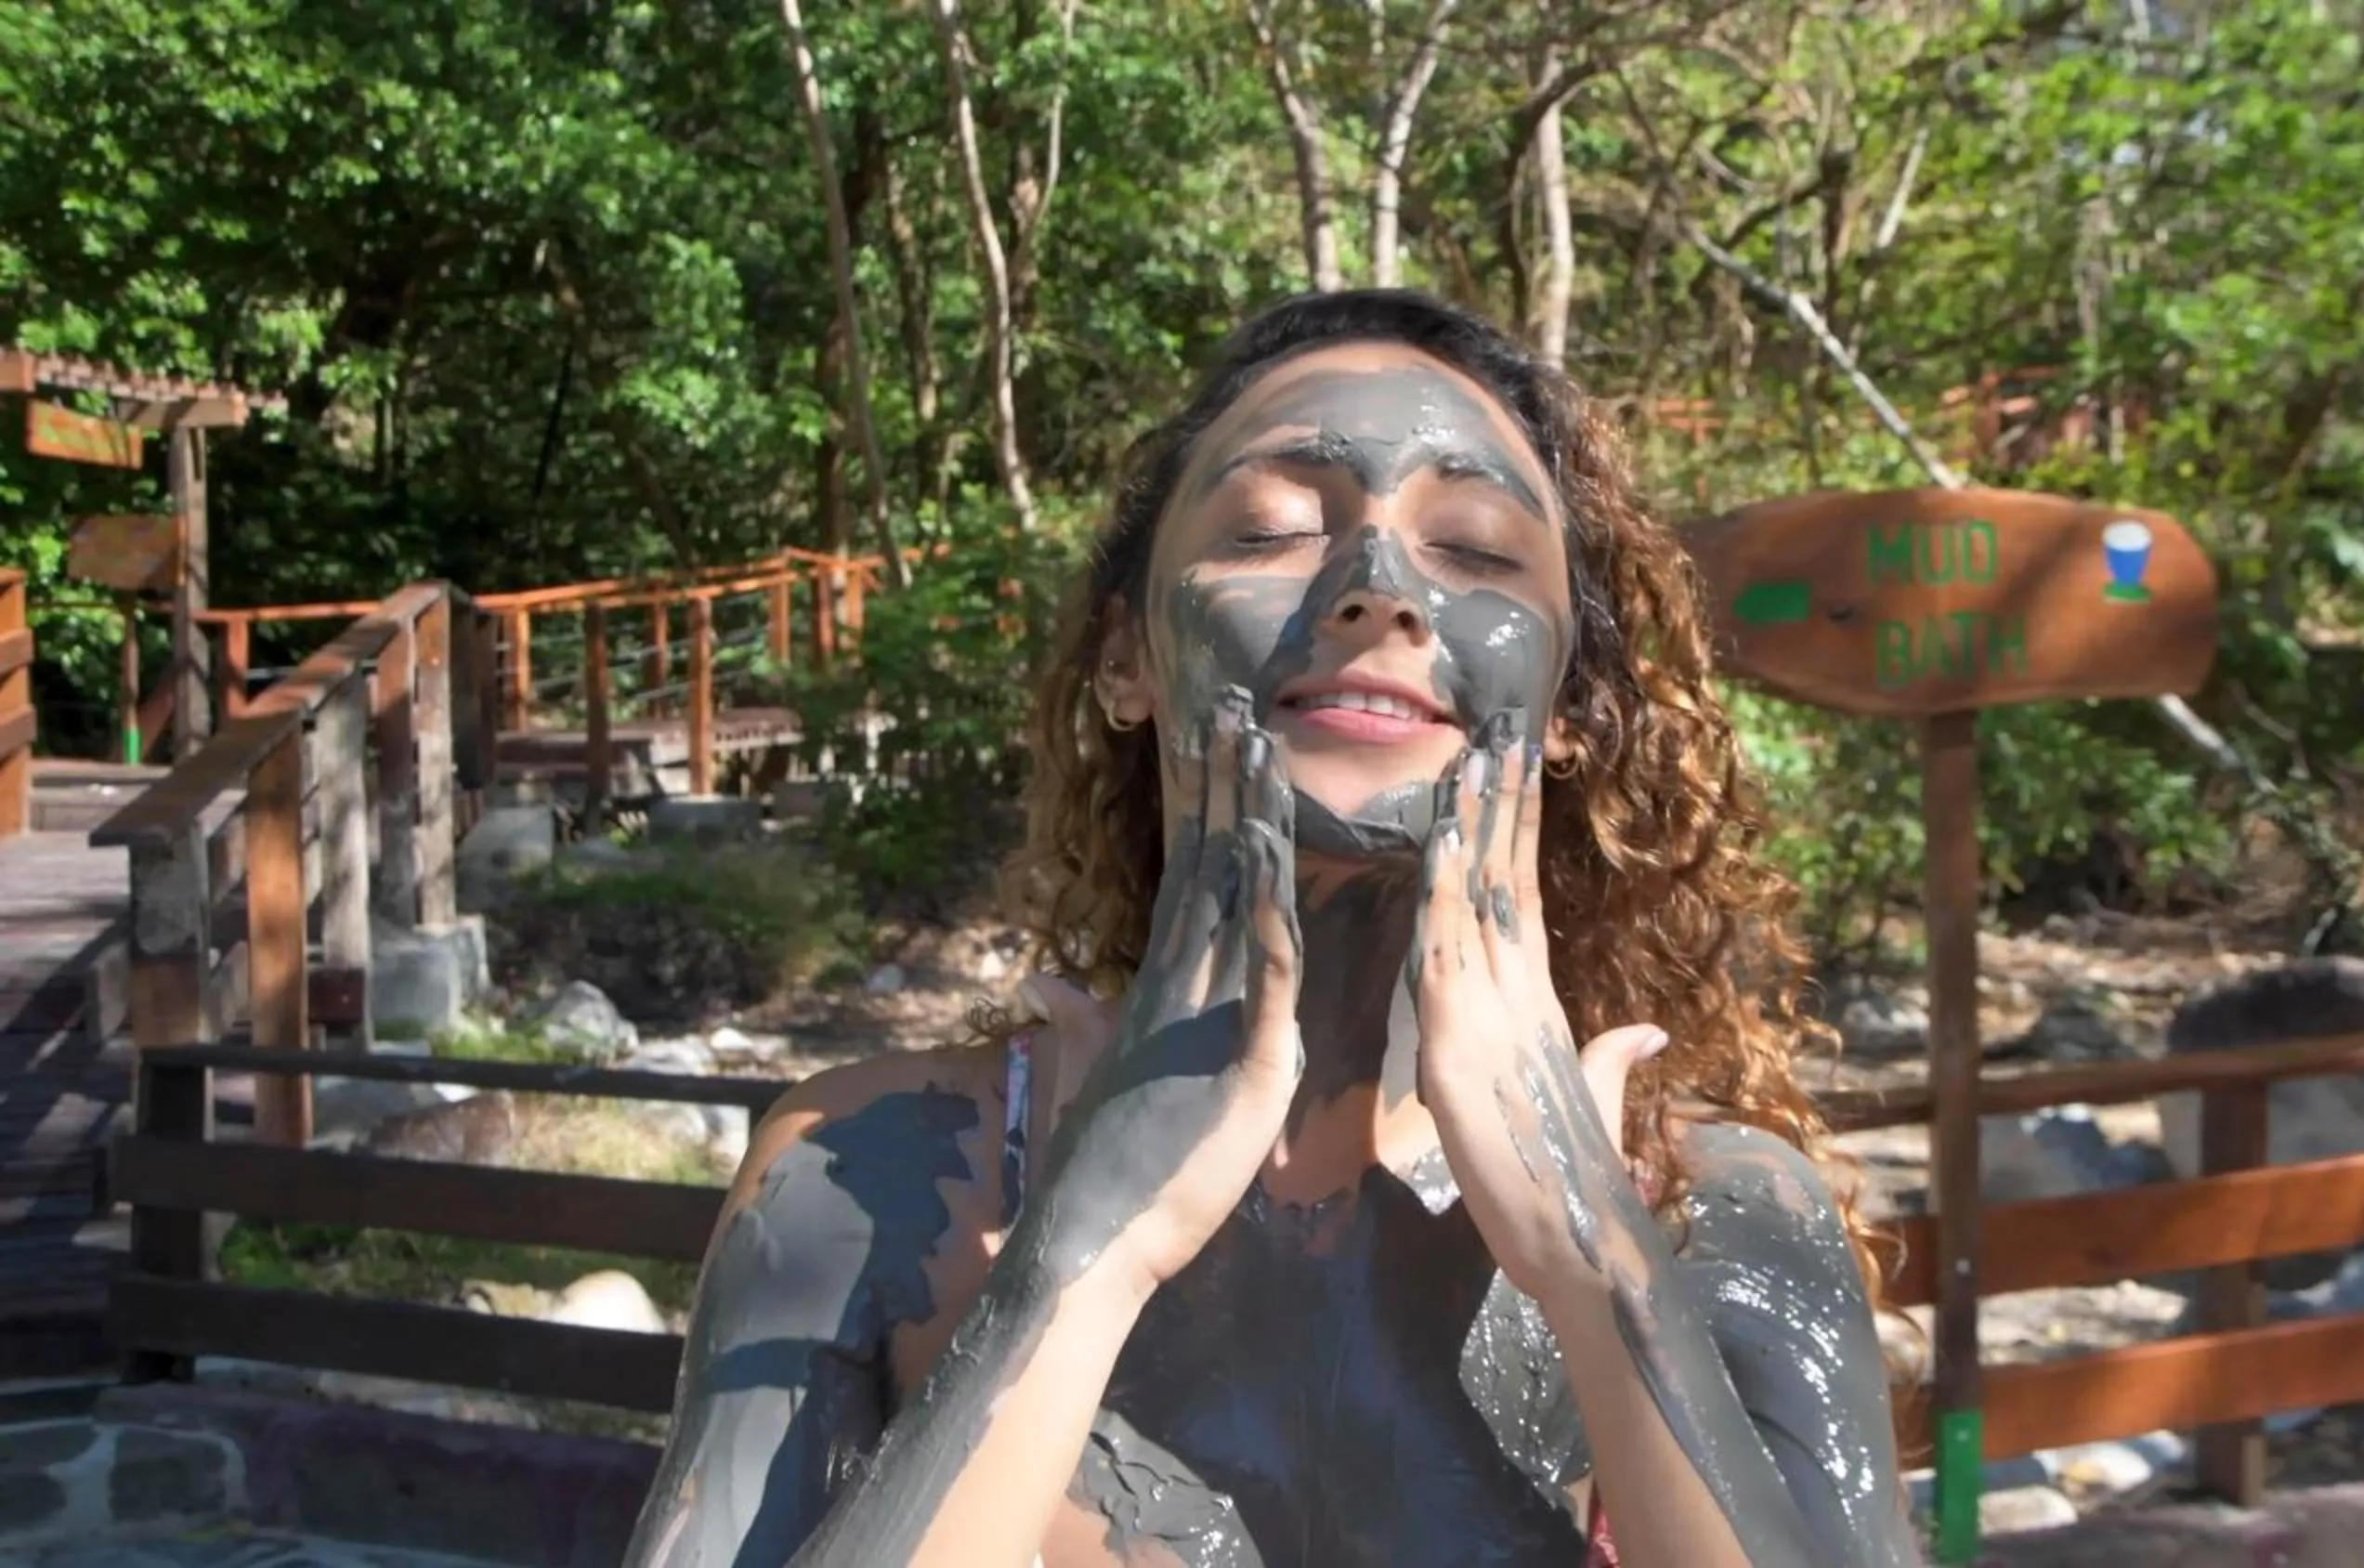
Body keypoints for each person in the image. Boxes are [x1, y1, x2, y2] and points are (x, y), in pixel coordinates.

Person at [622, 290, 1919, 1568]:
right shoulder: (868, 1186)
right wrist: (1076, 1266)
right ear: (1126, 658)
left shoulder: (1718, 1214)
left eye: (1472, 548)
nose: (1378, 590)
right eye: (1270, 530)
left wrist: (1600, 1271)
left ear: (1575, 699)